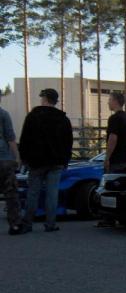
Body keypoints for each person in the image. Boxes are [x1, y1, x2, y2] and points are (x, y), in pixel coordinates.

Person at [18, 89, 73, 233]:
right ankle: (50, 224)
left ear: (45, 99)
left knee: (33, 192)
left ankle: (27, 223)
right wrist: (65, 160)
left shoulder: (33, 116)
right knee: (52, 193)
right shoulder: (63, 119)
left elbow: (25, 139)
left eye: (42, 97)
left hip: (36, 162)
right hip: (56, 163)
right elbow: (68, 142)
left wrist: (23, 158)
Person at [96, 92, 126, 227]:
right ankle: (123, 217)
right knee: (123, 190)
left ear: (116, 101)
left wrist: (107, 158)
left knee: (109, 189)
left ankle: (108, 218)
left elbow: (113, 138)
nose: (108, 102)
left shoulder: (114, 118)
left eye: (110, 100)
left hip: (116, 161)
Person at [0, 94, 22, 235]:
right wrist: (17, 157)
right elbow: (10, 137)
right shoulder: (3, 114)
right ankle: (14, 225)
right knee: (11, 193)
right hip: (4, 158)